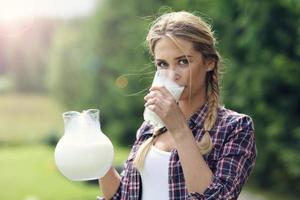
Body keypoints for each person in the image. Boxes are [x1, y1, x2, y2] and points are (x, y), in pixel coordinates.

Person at [97, 11, 257, 200]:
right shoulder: (151, 126)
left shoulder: (235, 128)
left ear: (209, 63)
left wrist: (180, 128)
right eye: (163, 64)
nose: (172, 75)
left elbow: (218, 197)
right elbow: (124, 195)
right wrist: (100, 158)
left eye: (183, 61)